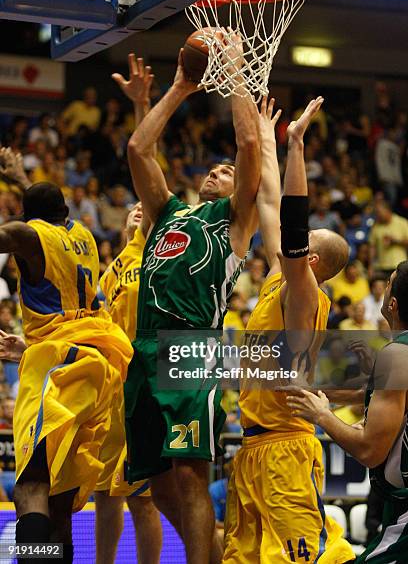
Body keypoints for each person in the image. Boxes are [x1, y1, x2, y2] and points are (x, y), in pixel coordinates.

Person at [124, 38, 261, 564]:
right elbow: (138, 150)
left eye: (224, 173)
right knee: (156, 488)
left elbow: (249, 148)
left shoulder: (233, 221)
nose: (215, 173)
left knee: (188, 474)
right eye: (212, 170)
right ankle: (219, 551)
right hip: (143, 346)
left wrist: (234, 76)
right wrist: (181, 87)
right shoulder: (169, 213)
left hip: (189, 346)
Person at [223, 97, 354, 563]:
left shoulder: (304, 294)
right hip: (253, 447)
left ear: (311, 260)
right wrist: (269, 138)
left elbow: (293, 220)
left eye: (305, 241)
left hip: (286, 450)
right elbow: (272, 202)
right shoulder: (279, 278)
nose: (292, 239)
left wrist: (298, 147)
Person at [0, 147, 133, 563]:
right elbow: (46, 212)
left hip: (57, 364)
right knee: (59, 498)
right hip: (100, 365)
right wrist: (20, 177)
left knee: (30, 486)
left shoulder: (26, 236)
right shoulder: (82, 234)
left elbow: (22, 230)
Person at [287, 260, 408, 563]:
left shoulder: (397, 355)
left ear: (392, 303)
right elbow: (367, 394)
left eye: (389, 281)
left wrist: (322, 416)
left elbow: (369, 451)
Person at [94, 56, 162, 564]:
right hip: (107, 388)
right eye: (133, 206)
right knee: (103, 493)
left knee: (143, 498)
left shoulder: (164, 252)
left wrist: (142, 105)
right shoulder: (112, 266)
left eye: (147, 205)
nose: (139, 207)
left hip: (148, 382)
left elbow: (146, 160)